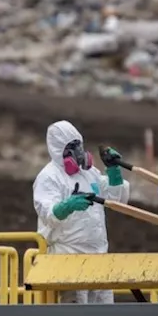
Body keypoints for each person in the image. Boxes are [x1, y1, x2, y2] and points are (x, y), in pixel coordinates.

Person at [33, 120, 129, 304]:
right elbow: (47, 213)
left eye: (79, 145)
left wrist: (114, 172)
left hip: (99, 258)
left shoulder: (89, 173)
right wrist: (66, 206)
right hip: (68, 258)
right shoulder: (49, 177)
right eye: (71, 147)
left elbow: (116, 201)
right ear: (58, 150)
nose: (78, 152)